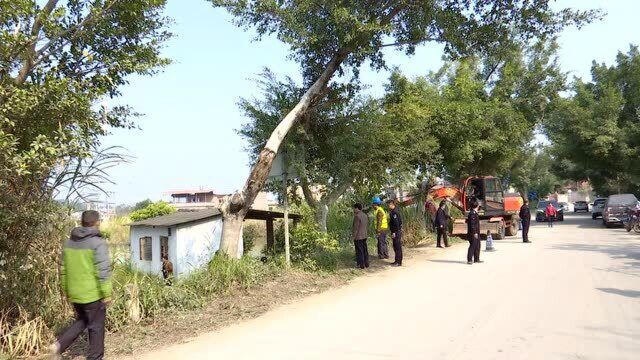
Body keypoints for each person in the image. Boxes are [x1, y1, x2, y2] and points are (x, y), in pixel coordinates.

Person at [50, 210, 111, 360]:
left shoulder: (69, 243)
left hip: (75, 293)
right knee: (96, 328)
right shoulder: (98, 243)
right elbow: (102, 271)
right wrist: (107, 293)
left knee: (83, 320)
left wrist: (66, 290)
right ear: (97, 223)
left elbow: (63, 269)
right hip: (92, 294)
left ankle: (59, 345)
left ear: (82, 223)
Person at [351, 203, 370, 269]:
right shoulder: (365, 215)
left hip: (358, 236)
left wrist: (353, 237)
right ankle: (366, 263)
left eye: (354, 208)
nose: (353, 209)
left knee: (359, 251)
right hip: (364, 235)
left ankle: (361, 265)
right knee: (365, 250)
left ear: (356, 208)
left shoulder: (357, 216)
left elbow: (355, 228)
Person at [387, 199, 403, 266]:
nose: (388, 206)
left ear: (391, 204)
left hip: (396, 232)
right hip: (396, 231)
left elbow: (396, 223)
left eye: (388, 204)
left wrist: (394, 232)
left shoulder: (394, 212)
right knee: (395, 246)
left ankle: (398, 262)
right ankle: (396, 260)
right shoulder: (394, 211)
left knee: (397, 246)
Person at [467, 199, 482, 264]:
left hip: (476, 232)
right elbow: (472, 225)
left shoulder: (475, 213)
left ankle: (476, 259)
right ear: (476, 205)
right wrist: (475, 232)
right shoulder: (472, 213)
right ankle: (469, 259)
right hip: (473, 233)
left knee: (478, 245)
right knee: (473, 245)